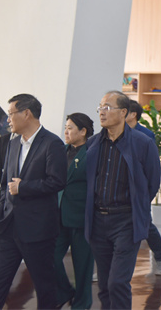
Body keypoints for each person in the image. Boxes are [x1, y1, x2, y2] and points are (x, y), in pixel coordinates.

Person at [0, 94, 67, 310]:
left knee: (44, 287)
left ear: (26, 113)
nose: (8, 119)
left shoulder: (52, 143)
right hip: (8, 227)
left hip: (37, 230)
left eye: (11, 114)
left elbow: (57, 181)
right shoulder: (11, 143)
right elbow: (4, 181)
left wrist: (24, 187)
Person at [84, 91, 161, 309]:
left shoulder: (143, 143)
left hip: (126, 221)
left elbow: (152, 183)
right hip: (98, 221)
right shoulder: (93, 144)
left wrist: (137, 206)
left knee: (117, 282)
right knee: (104, 284)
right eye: (100, 107)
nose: (102, 112)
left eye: (107, 107)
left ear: (124, 112)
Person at [54, 113, 95, 309]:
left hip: (82, 219)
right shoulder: (61, 152)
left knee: (83, 267)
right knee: (49, 257)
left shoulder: (92, 153)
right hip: (59, 217)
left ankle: (82, 304)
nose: (66, 132)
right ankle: (64, 291)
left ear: (83, 131)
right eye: (65, 127)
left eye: (70, 128)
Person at [126, 100, 161, 276]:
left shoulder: (146, 135)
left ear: (133, 114)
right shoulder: (114, 132)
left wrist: (145, 196)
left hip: (138, 190)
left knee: (146, 225)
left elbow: (151, 168)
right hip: (119, 190)